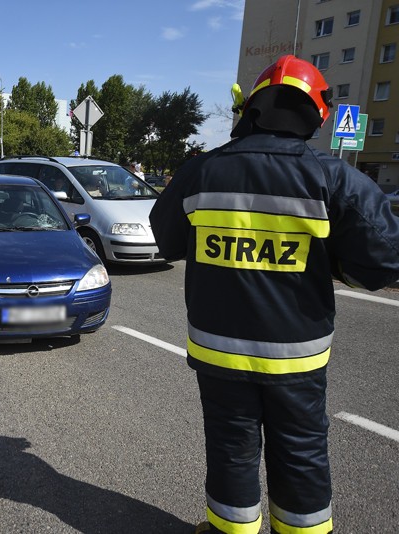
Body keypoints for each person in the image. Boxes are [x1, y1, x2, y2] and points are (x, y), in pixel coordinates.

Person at [149, 55, 399, 534]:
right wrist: (332, 261)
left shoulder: (202, 171)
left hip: (218, 351)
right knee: (302, 451)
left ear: (252, 108)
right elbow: (383, 263)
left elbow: (166, 239)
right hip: (296, 358)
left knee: (230, 448)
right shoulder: (333, 178)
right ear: (315, 113)